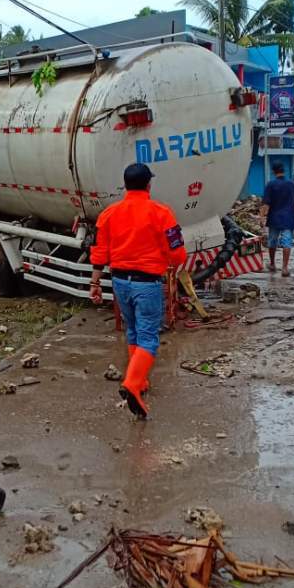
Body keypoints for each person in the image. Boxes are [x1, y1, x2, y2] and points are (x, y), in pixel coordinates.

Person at [88, 163, 187, 419]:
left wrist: (95, 283)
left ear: (125, 185)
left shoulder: (108, 214)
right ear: (148, 185)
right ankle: (132, 384)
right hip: (147, 284)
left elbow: (99, 252)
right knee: (149, 337)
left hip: (120, 282)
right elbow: (177, 251)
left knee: (132, 330)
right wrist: (174, 265)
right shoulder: (161, 213)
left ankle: (140, 381)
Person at [260, 161, 294, 277]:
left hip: (274, 218)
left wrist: (261, 218)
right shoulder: (292, 184)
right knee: (287, 242)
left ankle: (273, 264)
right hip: (288, 218)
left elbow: (266, 204)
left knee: (272, 241)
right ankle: (284, 268)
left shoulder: (270, 185)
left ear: (273, 171)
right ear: (283, 170)